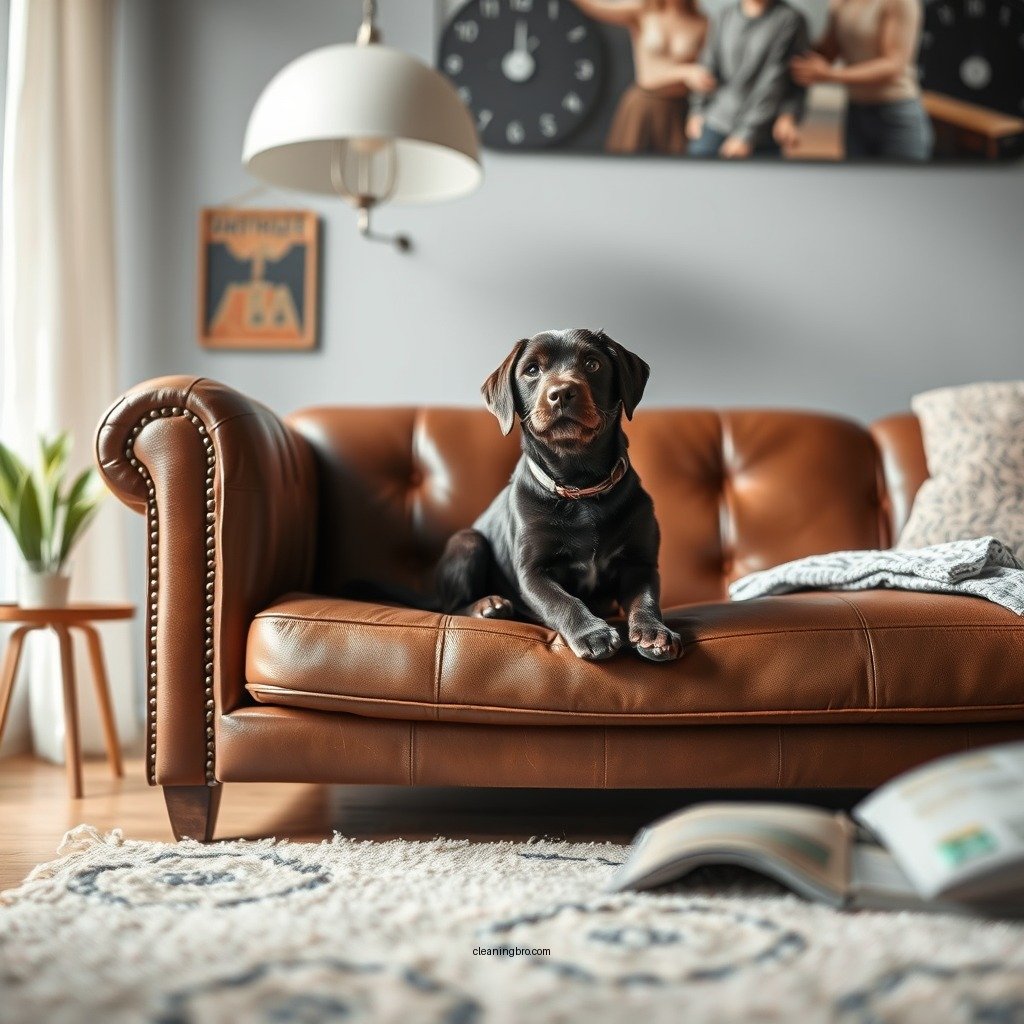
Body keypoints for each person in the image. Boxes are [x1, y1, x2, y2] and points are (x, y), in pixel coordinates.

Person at [789, 0, 932, 161]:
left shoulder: (900, 3)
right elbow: (828, 51)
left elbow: (894, 66)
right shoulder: (841, 3)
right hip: (856, 112)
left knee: (900, 176)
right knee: (856, 176)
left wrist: (830, 75)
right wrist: (790, 39)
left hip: (896, 114)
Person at [575, 0, 713, 155]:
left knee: (675, 167)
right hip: (642, 106)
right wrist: (684, 72)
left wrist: (698, 113)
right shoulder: (642, 12)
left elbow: (709, 72)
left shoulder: (703, 23)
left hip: (677, 111)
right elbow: (596, 7)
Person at [686, 0, 809, 159]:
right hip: (717, 119)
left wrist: (746, 134)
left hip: (762, 129)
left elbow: (774, 83)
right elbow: (708, 66)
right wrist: (697, 110)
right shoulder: (725, 16)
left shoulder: (790, 19)